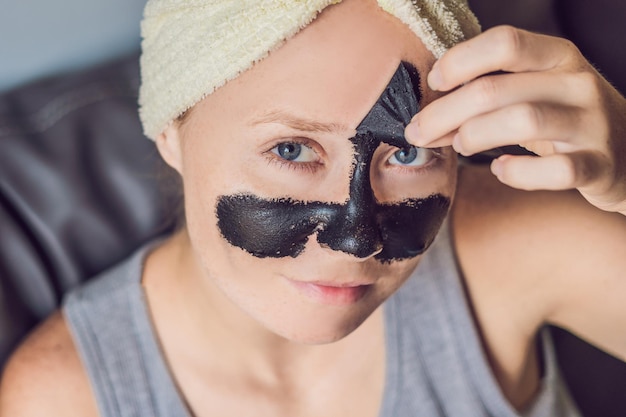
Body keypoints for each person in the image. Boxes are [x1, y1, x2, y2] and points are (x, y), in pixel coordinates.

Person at [1, 0, 625, 416]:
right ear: (171, 133)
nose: (358, 238)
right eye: (292, 148)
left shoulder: (507, 242)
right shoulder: (66, 398)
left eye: (410, 155)